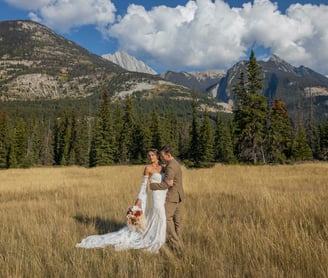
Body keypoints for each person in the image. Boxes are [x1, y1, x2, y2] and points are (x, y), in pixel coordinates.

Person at [76, 149, 169, 253]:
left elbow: (168, 181)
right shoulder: (148, 168)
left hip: (163, 195)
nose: (151, 157)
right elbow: (143, 185)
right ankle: (154, 239)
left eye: (152, 155)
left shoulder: (164, 168)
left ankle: (159, 237)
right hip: (154, 197)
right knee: (157, 216)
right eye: (149, 156)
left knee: (160, 218)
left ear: (157, 156)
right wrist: (139, 198)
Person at [150, 145, 184, 254]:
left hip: (172, 197)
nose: (161, 157)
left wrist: (153, 186)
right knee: (177, 221)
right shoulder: (175, 163)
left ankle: (177, 245)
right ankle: (179, 244)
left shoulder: (170, 167)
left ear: (168, 155)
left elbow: (167, 184)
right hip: (179, 196)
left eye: (163, 155)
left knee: (167, 219)